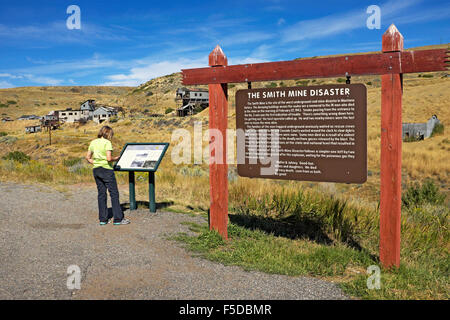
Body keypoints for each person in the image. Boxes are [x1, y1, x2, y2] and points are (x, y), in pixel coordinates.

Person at [85, 126, 130, 226]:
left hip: (96, 170)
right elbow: (109, 158)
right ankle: (118, 219)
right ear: (109, 134)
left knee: (101, 194)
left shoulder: (93, 142)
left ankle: (103, 219)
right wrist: (116, 158)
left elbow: (87, 157)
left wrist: (96, 162)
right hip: (106, 170)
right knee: (114, 193)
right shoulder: (107, 143)